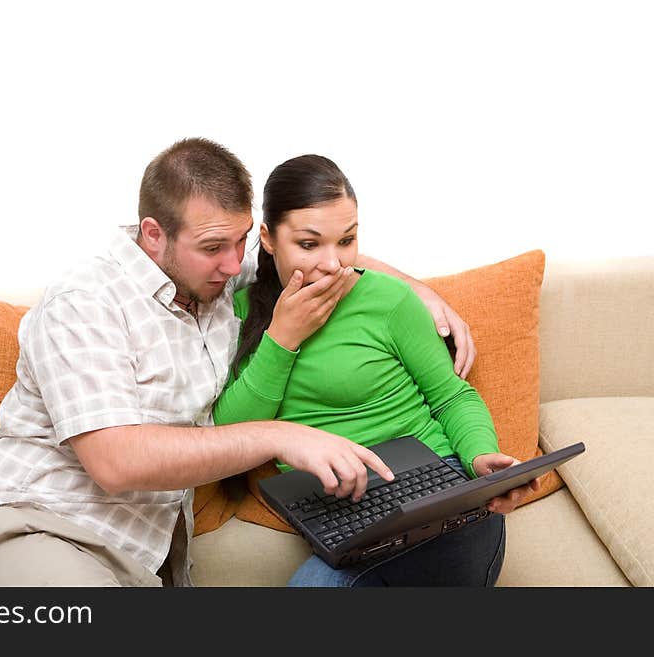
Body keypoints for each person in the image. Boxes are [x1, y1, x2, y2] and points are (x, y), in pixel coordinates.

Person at [0, 138, 478, 587]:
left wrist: (421, 291)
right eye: (214, 247)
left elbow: (313, 250)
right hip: (37, 529)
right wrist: (278, 437)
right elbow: (115, 461)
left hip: (138, 562)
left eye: (241, 244)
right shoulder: (85, 302)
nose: (234, 263)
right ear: (154, 235)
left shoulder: (213, 274)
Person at [213, 154, 539, 587]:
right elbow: (229, 434)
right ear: (269, 239)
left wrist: (479, 456)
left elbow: (451, 396)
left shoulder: (388, 299)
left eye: (346, 241)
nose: (333, 264)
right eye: (309, 244)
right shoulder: (237, 314)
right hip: (342, 512)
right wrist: (283, 337)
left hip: (440, 490)